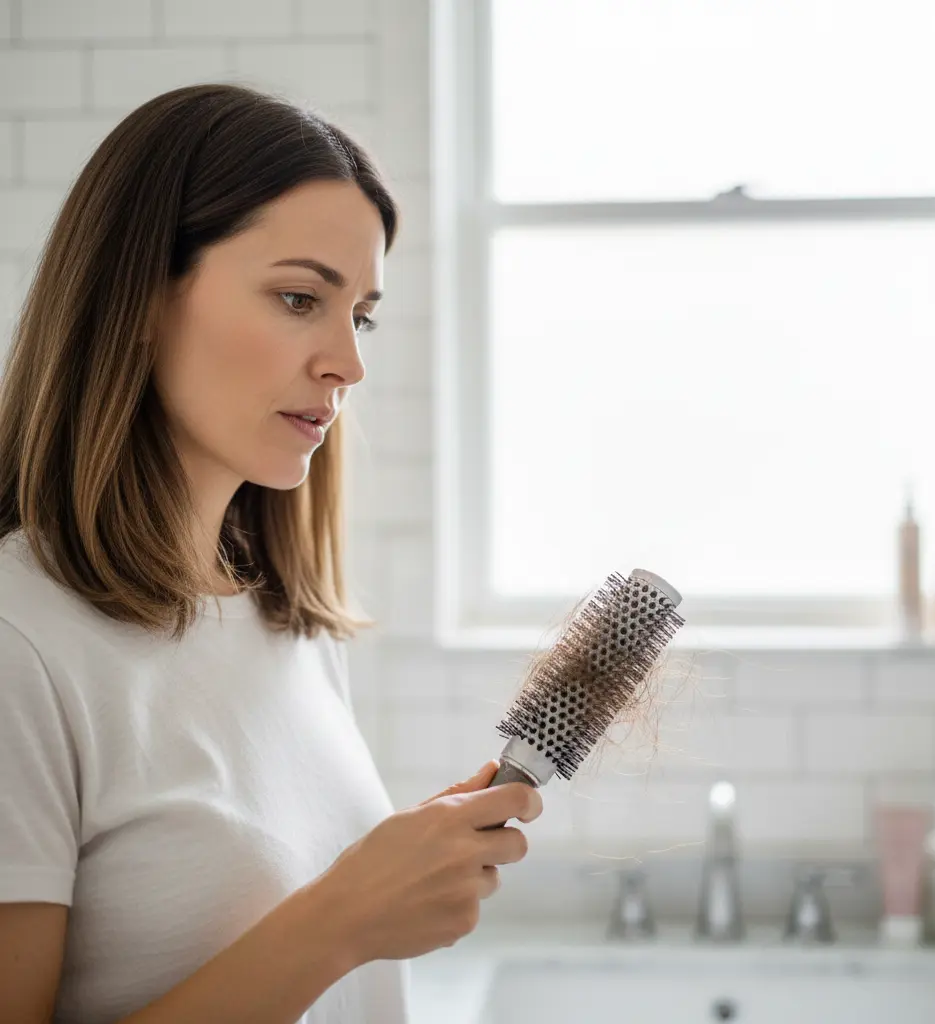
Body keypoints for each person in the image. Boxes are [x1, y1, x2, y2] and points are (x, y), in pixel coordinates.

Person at [0, 83, 543, 1024]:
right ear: (139, 296)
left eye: (360, 315)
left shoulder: (285, 625)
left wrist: (394, 879)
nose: (349, 363)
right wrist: (343, 919)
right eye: (300, 298)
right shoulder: (22, 646)